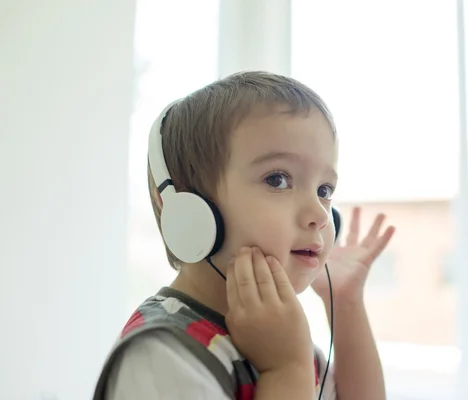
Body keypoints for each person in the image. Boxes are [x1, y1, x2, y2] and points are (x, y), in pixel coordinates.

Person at [94, 71, 395, 400]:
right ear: (190, 209)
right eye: (278, 179)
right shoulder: (161, 355)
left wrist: (346, 303)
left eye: (325, 189)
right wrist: (285, 373)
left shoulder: (277, 335)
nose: (320, 215)